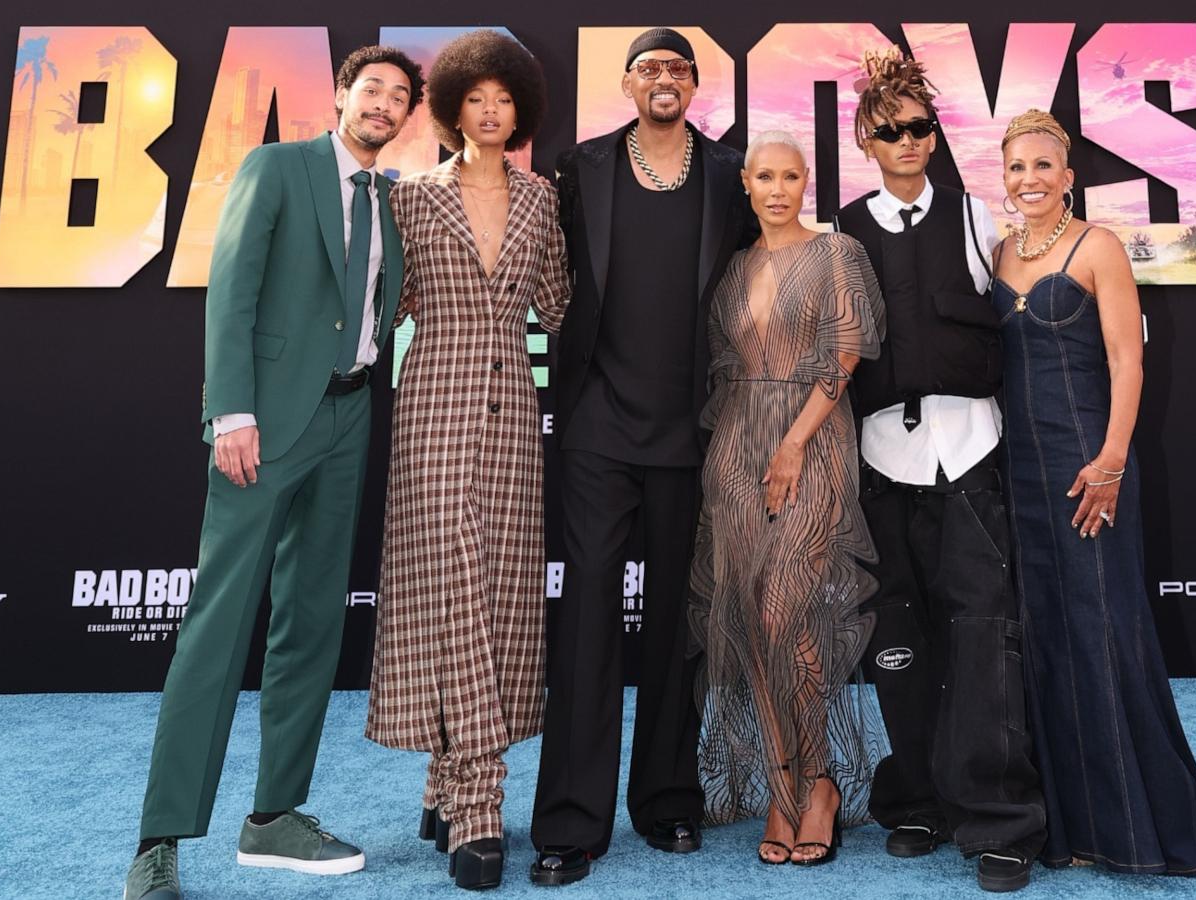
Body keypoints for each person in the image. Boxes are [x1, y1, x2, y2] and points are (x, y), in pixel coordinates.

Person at [123, 47, 424, 900]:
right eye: (373, 90)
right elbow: (233, 288)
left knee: (311, 621)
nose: (384, 105)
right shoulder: (280, 166)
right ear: (341, 94)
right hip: (266, 424)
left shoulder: (394, 199)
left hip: (351, 414)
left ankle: (275, 816)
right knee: (218, 629)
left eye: (400, 98)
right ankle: (160, 841)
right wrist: (233, 412)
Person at [530, 28, 757, 886]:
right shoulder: (578, 169)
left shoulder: (730, 174)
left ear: (694, 84)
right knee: (586, 621)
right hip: (595, 425)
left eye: (676, 68)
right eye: (648, 68)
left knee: (676, 624)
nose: (663, 79)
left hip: (693, 429)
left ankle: (667, 799)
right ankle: (570, 822)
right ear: (627, 84)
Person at [990, 109, 1196, 876]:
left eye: (1042, 167)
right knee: (1046, 640)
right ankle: (1070, 826)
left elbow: (1128, 362)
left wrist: (1112, 461)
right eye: (1016, 167)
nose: (1028, 179)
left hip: (1090, 465)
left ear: (1069, 176)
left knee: (1104, 630)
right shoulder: (999, 252)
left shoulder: (1097, 246)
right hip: (1019, 473)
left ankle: (1142, 826)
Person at [833, 48, 1046, 893]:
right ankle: (915, 801)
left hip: (971, 457)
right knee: (900, 646)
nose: (910, 141)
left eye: (921, 127)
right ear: (867, 137)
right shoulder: (842, 232)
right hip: (883, 465)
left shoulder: (976, 220)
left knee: (987, 639)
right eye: (892, 131)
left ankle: (999, 820)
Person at [364, 30, 568, 891]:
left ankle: (444, 775)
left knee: (500, 590)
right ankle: (478, 802)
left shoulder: (543, 200)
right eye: (475, 99)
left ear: (519, 111)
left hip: (517, 417)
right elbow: (382, 298)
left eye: (504, 100)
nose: (490, 111)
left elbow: (555, 304)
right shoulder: (411, 197)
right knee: (449, 579)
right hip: (434, 406)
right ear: (450, 110)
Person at [688, 129, 888, 868]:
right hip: (737, 447)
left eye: (791, 176)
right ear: (745, 183)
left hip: (812, 440)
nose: (777, 189)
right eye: (764, 176)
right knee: (745, 616)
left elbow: (844, 354)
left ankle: (821, 785)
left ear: (808, 181)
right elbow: (721, 370)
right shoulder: (735, 268)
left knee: (787, 611)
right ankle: (784, 784)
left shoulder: (837, 254)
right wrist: (747, 451)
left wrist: (794, 443)